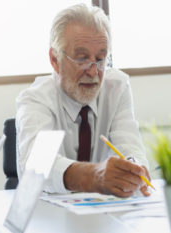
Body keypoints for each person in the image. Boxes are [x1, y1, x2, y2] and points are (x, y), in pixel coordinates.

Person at [16, 4, 151, 198]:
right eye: (82, 59)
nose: (93, 72)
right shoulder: (36, 99)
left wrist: (132, 169)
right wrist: (96, 176)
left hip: (103, 215)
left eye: (100, 59)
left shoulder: (117, 87)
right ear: (54, 59)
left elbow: (130, 147)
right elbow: (39, 168)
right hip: (49, 218)